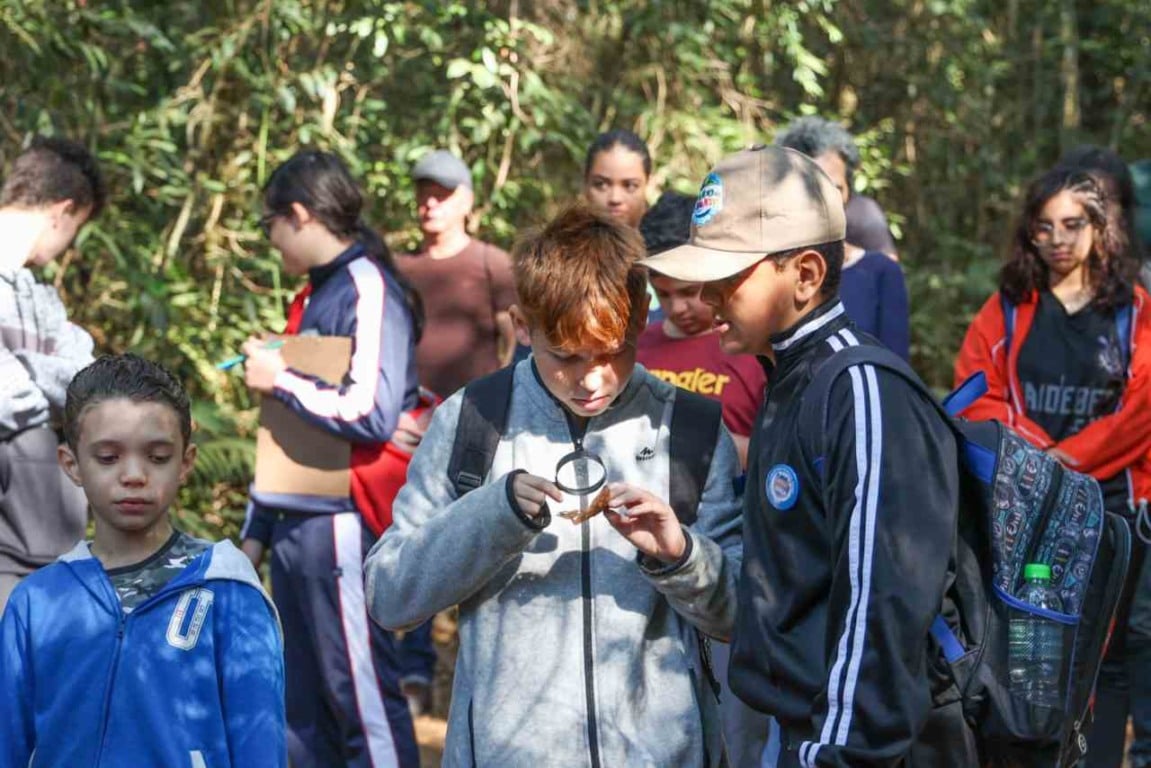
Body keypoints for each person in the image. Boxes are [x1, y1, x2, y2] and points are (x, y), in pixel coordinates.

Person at [364, 204, 743, 767]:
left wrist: (680, 554)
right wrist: (493, 515)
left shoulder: (689, 428)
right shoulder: (472, 421)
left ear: (643, 319)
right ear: (522, 327)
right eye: (564, 356)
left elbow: (740, 615)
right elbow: (390, 596)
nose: (590, 378)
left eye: (612, 352)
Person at [641, 145, 977, 766]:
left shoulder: (860, 392)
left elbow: (881, 611)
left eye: (728, 278)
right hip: (799, 729)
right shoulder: (787, 381)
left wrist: (833, 755)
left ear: (804, 275)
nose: (709, 299)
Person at [955, 167, 1151, 768]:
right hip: (1028, 507)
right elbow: (973, 388)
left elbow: (1143, 406)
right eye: (1045, 228)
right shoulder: (1010, 308)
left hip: (1112, 508)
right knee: (1030, 642)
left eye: (1073, 225)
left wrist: (1077, 456)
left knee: (1107, 648)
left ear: (1101, 228)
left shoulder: (1134, 311)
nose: (1058, 240)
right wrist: (1037, 449)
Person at [0, 353, 285, 767]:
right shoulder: (35, 603)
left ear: (185, 462)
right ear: (71, 464)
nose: (134, 475)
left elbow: (260, 746)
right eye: (108, 457)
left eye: (157, 456)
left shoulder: (229, 593)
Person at [239, 150, 420, 768]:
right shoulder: (317, 294)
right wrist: (255, 534)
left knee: (359, 695)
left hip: (343, 519)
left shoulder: (367, 287)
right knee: (303, 706)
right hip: (296, 520)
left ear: (297, 215)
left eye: (270, 227)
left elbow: (370, 410)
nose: (272, 242)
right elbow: (287, 433)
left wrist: (280, 376)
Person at [636, 190, 769, 765]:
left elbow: (782, 449)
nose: (681, 308)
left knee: (734, 732)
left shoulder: (746, 346)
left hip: (730, 556)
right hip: (649, 566)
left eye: (690, 292)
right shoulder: (634, 349)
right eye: (664, 295)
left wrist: (735, 449)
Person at [0, 136, 103, 614]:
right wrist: (53, 385)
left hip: (48, 552)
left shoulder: (40, 296)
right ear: (63, 211)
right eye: (76, 228)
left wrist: (22, 371)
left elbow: (86, 381)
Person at [775, 117, 910, 361]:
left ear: (849, 191)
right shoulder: (764, 271)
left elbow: (894, 370)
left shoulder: (880, 273)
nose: (823, 199)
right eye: (809, 187)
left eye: (834, 188)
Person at [396, 149, 517, 400]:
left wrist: (501, 397)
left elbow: (518, 341)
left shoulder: (493, 264)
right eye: (424, 195)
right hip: (405, 415)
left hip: (475, 412)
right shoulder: (398, 268)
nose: (430, 204)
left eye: (441, 196)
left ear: (466, 201)